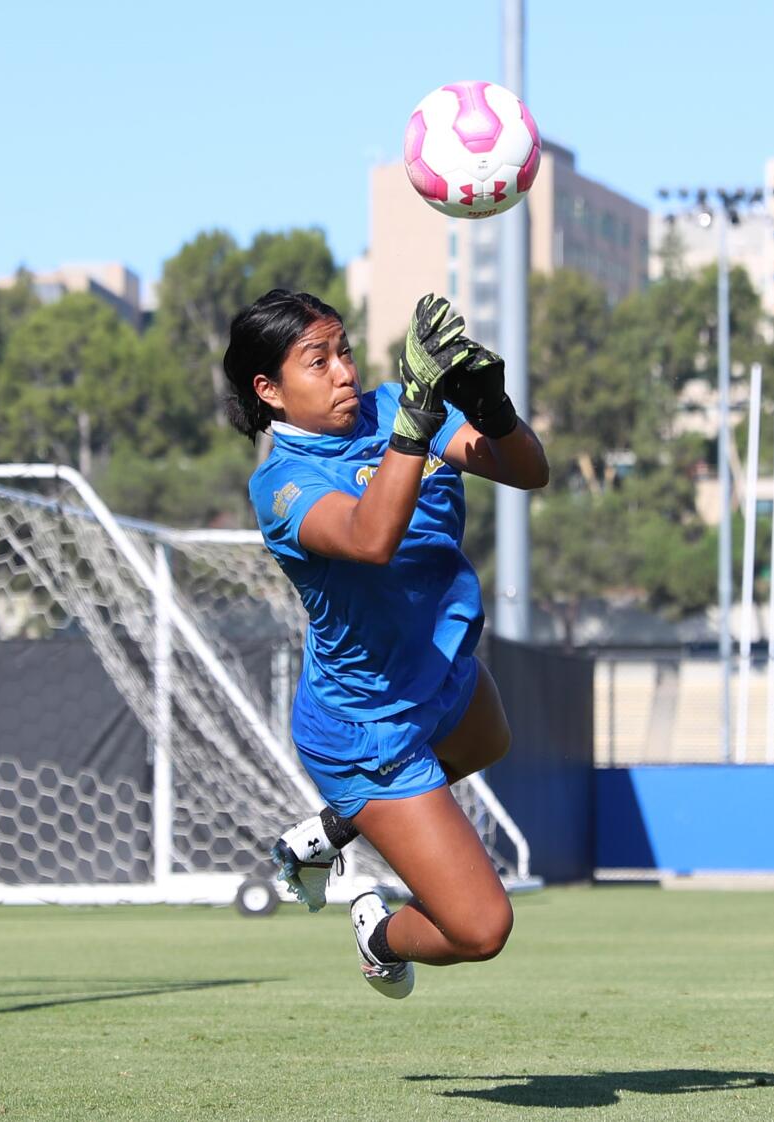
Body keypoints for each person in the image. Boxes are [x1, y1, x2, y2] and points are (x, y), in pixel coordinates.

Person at [225, 289, 549, 999]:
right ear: (269, 389)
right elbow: (371, 539)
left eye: (344, 350)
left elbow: (528, 470)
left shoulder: (394, 407)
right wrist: (417, 421)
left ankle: (334, 829)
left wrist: (493, 411)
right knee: (480, 929)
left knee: (490, 739)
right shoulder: (281, 485)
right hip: (367, 726)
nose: (343, 370)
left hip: (439, 670)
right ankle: (377, 933)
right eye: (319, 361)